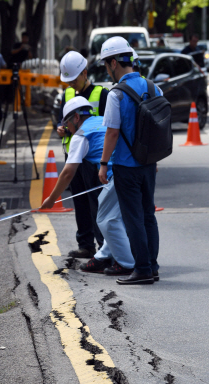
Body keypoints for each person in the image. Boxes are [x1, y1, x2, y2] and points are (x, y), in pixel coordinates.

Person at [41, 96, 134, 276]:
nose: (67, 128)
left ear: (76, 118)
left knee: (106, 220)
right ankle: (103, 256)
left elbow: (68, 173)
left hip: (116, 175)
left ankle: (126, 263)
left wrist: (52, 199)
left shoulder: (81, 134)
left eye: (67, 122)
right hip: (130, 171)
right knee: (114, 217)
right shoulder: (102, 121)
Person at [98, 36, 163, 285]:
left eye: (106, 64)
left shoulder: (116, 94)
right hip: (149, 164)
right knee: (149, 214)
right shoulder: (153, 87)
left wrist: (104, 164)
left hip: (126, 166)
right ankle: (153, 266)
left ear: (114, 63)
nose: (107, 69)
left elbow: (112, 132)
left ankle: (142, 269)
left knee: (132, 217)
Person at [57, 51, 109, 259]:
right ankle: (86, 244)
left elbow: (109, 126)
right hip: (73, 155)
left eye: (73, 79)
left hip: (93, 160)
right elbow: (62, 122)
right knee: (79, 200)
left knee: (96, 201)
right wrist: (62, 129)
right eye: (67, 80)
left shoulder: (101, 94)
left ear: (85, 73)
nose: (70, 84)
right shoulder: (67, 95)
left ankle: (104, 245)